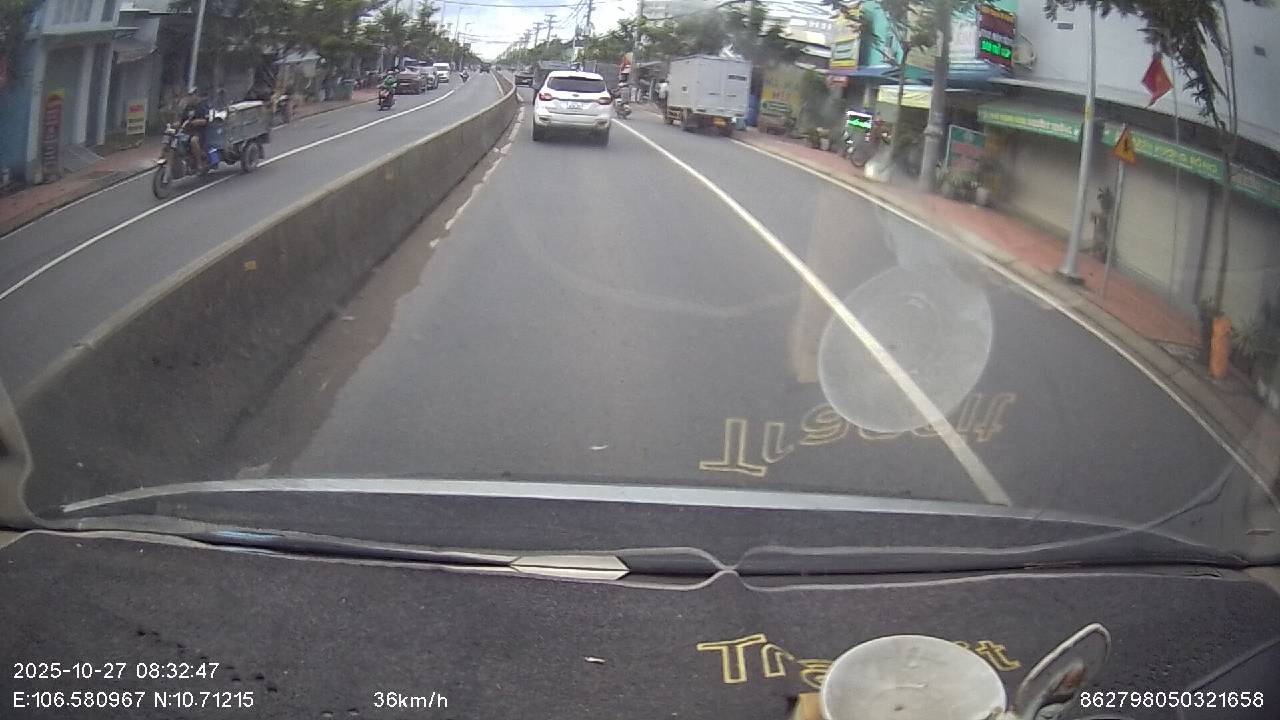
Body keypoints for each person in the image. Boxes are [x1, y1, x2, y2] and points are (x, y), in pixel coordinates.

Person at [180, 86, 212, 172]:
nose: (190, 97)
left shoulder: (203, 106)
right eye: (189, 95)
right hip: (188, 131)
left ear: (196, 95)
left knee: (193, 141)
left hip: (200, 132)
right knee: (175, 139)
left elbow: (206, 120)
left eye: (192, 95)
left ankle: (199, 162)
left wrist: (197, 122)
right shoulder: (188, 107)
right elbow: (182, 120)